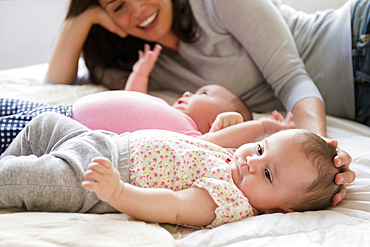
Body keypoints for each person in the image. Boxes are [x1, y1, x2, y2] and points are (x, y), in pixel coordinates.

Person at [44, 0, 356, 201]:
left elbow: (293, 79)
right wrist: (81, 19)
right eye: (119, 6)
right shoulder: (147, 64)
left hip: (356, 40)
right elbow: (57, 82)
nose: (137, 9)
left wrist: (317, 147)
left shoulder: (215, 5)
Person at [0, 112, 342, 229]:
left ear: (280, 209)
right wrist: (266, 127)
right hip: (101, 141)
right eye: (259, 150)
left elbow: (174, 206)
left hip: (94, 178)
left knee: (28, 180)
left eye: (268, 174)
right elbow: (218, 138)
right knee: (42, 125)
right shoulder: (234, 162)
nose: (252, 161)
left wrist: (118, 192)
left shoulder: (231, 199)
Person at [0, 44, 251, 152]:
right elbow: (133, 97)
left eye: (203, 94)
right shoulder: (166, 108)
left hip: (62, 129)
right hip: (58, 109)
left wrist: (241, 125)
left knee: (9, 130)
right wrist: (140, 72)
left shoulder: (190, 137)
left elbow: (216, 144)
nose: (188, 93)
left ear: (217, 122)